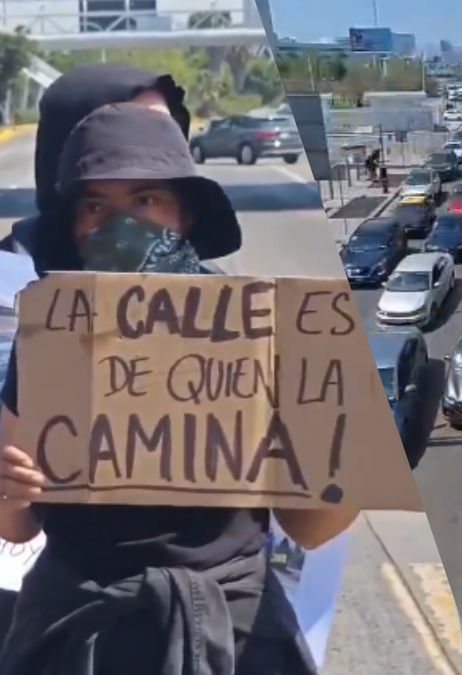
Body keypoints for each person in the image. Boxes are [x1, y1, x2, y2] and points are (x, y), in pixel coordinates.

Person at [0, 104, 354, 674]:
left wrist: (345, 455)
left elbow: (311, 529)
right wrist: (9, 487)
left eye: (145, 200)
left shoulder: (262, 326)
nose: (119, 225)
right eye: (96, 206)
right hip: (77, 630)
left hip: (230, 633)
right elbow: (17, 523)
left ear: (184, 214)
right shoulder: (52, 328)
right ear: (73, 223)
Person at [0, 65, 192, 265]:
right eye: (94, 206)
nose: (162, 145)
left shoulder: (208, 287)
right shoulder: (10, 282)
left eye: (168, 129)